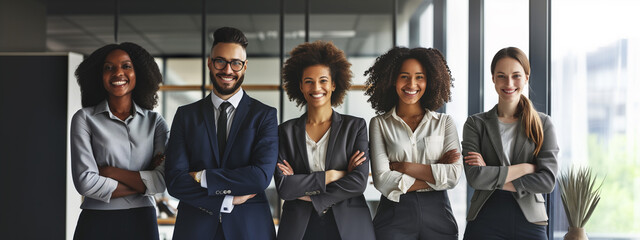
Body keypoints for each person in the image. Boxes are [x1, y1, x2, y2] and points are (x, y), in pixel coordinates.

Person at [164, 27, 278, 240]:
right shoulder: (185, 115)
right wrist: (227, 200)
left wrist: (201, 176)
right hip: (195, 230)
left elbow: (260, 177)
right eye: (220, 61)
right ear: (209, 63)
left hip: (250, 230)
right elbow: (175, 181)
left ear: (244, 67)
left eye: (236, 63)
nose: (228, 70)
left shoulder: (265, 115)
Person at [275, 41, 375, 240]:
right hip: (299, 229)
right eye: (309, 81)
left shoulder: (355, 127)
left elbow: (358, 182)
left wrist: (307, 193)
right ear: (301, 87)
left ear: (333, 84)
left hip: (349, 228)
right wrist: (333, 175)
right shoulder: (285, 131)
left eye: (323, 80)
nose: (316, 87)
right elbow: (285, 187)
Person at [70, 42, 168, 240]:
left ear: (138, 73)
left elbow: (162, 181)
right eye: (109, 68)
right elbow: (86, 183)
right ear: (99, 75)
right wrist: (142, 184)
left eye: (126, 66)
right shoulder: (84, 119)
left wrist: (110, 172)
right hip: (96, 222)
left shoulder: (155, 122)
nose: (118, 73)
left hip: (142, 222)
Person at [462, 47, 559, 240]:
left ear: (526, 77)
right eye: (501, 76)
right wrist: (525, 168)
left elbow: (547, 181)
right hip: (484, 217)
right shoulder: (475, 124)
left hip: (530, 219)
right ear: (493, 79)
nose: (509, 83)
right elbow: (475, 178)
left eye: (516, 76)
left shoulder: (543, 123)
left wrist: (490, 175)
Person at [365, 47, 461, 240]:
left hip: (439, 216)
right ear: (392, 79)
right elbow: (383, 181)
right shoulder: (380, 124)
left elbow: (453, 176)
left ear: (430, 80)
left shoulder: (444, 123)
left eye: (420, 77)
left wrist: (403, 166)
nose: (412, 84)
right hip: (394, 216)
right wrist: (434, 175)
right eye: (404, 76)